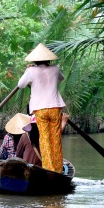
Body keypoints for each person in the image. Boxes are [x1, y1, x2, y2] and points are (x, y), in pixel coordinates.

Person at [17, 43, 66, 173]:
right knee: (55, 138)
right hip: (55, 107)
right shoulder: (55, 69)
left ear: (34, 60)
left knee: (44, 138)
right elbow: (62, 78)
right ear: (49, 59)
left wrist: (27, 71)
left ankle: (49, 169)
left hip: (40, 110)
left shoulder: (31, 71)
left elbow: (21, 85)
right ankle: (57, 169)